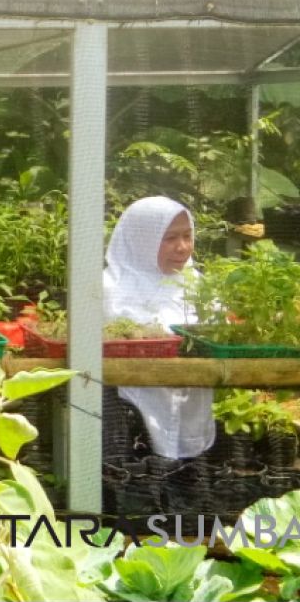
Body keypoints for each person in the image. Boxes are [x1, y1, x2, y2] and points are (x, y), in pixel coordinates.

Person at [106, 196, 214, 460]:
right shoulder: (111, 287)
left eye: (188, 236)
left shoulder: (196, 284)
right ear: (142, 239)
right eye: (170, 238)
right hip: (127, 418)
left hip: (192, 406)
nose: (182, 247)